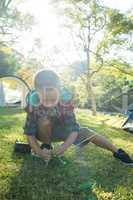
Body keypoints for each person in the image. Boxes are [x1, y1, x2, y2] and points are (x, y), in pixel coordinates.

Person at [23, 69, 133, 165]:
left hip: (63, 131)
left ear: (59, 91)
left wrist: (63, 147)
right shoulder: (33, 105)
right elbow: (30, 133)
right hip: (43, 133)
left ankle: (117, 152)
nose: (49, 103)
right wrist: (39, 151)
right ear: (37, 93)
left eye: (52, 99)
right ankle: (46, 146)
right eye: (45, 100)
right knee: (44, 121)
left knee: (87, 132)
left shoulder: (66, 102)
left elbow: (74, 129)